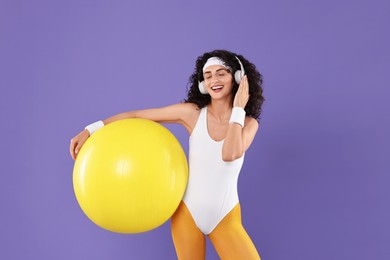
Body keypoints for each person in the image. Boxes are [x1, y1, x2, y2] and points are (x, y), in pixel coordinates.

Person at [70, 49, 264, 259]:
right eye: (208, 76)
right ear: (202, 84)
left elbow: (229, 153)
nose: (214, 80)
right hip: (187, 214)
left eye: (221, 73)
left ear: (237, 78)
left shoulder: (249, 123)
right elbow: (136, 116)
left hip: (225, 216)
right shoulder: (192, 113)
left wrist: (238, 109)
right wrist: (91, 129)